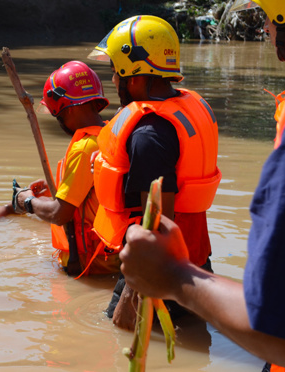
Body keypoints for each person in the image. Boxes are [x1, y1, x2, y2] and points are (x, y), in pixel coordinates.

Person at [118, 0, 285, 369]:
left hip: (172, 261)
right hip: (197, 252)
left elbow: (278, 327)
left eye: (268, 20)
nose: (265, 29)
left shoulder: (149, 132)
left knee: (112, 339)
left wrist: (171, 278)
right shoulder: (185, 110)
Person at [87, 15, 222, 329]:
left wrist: (130, 302)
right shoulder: (182, 110)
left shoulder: (148, 134)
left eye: (115, 73)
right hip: (196, 263)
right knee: (195, 344)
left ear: (133, 75)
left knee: (116, 334)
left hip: (161, 271)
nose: (113, 82)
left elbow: (158, 227)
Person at [13, 60, 121, 276]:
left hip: (89, 263)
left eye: (57, 115)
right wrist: (58, 188)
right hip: (111, 256)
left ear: (67, 110)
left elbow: (59, 214)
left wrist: (25, 201)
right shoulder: (110, 132)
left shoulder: (84, 148)